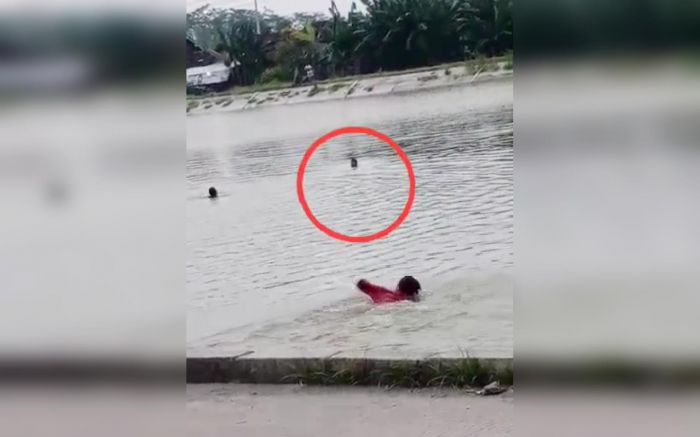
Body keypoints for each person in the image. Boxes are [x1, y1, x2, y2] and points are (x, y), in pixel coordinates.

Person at [356, 276, 422, 304]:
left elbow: (362, 284)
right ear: (413, 293)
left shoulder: (382, 290)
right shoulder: (397, 300)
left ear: (398, 286)